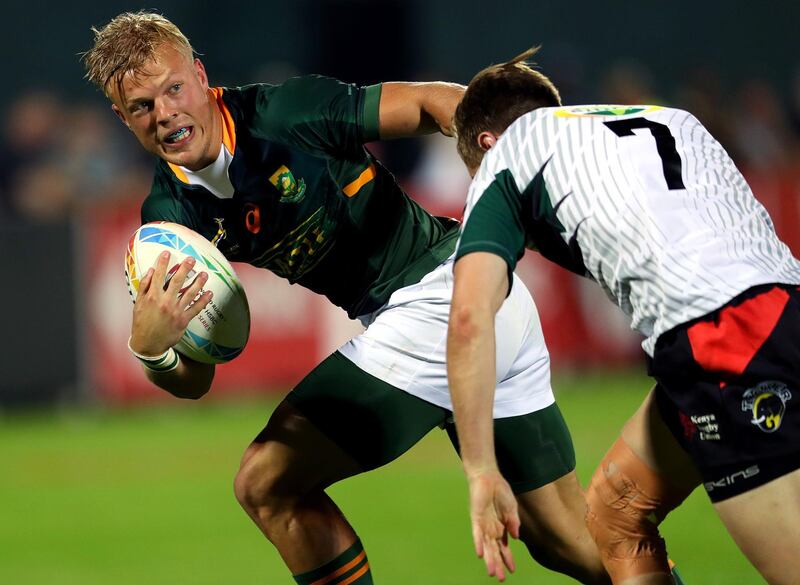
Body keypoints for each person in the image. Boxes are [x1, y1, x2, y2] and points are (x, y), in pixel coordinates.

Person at [82, 14, 611, 584]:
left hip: (441, 299)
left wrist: (514, 167)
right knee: (571, 544)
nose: (165, 114)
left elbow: (435, 102)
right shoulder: (170, 223)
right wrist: (152, 352)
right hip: (486, 306)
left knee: (266, 483)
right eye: (141, 106)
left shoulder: (285, 113)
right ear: (122, 118)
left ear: (201, 75)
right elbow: (195, 378)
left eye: (174, 89)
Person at [447, 46, 800, 585]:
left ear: (485, 143)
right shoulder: (671, 117)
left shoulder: (507, 157)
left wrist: (479, 470)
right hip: (780, 307)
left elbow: (470, 316)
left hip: (722, 342)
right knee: (615, 513)